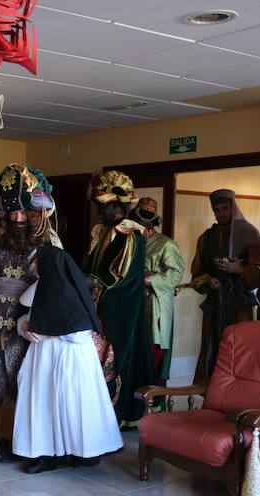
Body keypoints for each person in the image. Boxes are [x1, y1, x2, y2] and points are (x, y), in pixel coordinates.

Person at [0, 163, 63, 462]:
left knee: (29, 384)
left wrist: (37, 320)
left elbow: (56, 289)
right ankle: (6, 436)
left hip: (31, 327)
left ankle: (34, 442)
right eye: (12, 213)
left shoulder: (49, 245)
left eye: (23, 213)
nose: (17, 219)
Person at [14, 244, 123, 474]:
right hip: (44, 357)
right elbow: (28, 314)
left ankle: (79, 452)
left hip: (70, 360)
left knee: (71, 406)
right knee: (43, 405)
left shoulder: (69, 291)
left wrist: (45, 333)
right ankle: (45, 455)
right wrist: (25, 326)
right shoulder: (42, 287)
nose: (34, 267)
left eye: (37, 262)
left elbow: (80, 332)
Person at [82, 170, 157, 428]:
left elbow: (124, 275)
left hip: (115, 308)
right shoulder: (104, 231)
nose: (99, 212)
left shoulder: (129, 234)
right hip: (97, 304)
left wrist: (93, 281)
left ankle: (115, 411)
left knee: (112, 357)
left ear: (116, 205)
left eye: (103, 207)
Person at [190, 188, 260, 382]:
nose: (221, 213)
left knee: (241, 349)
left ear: (234, 208)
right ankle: (213, 395)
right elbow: (197, 274)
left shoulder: (249, 233)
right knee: (213, 349)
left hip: (240, 305)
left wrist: (239, 270)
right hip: (215, 304)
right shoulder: (206, 237)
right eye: (217, 209)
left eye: (225, 208)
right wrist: (208, 280)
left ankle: (241, 396)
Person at [128, 197, 185, 383]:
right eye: (139, 216)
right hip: (133, 298)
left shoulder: (165, 244)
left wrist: (149, 279)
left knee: (154, 345)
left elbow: (176, 272)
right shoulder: (129, 241)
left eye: (147, 217)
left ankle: (153, 395)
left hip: (156, 301)